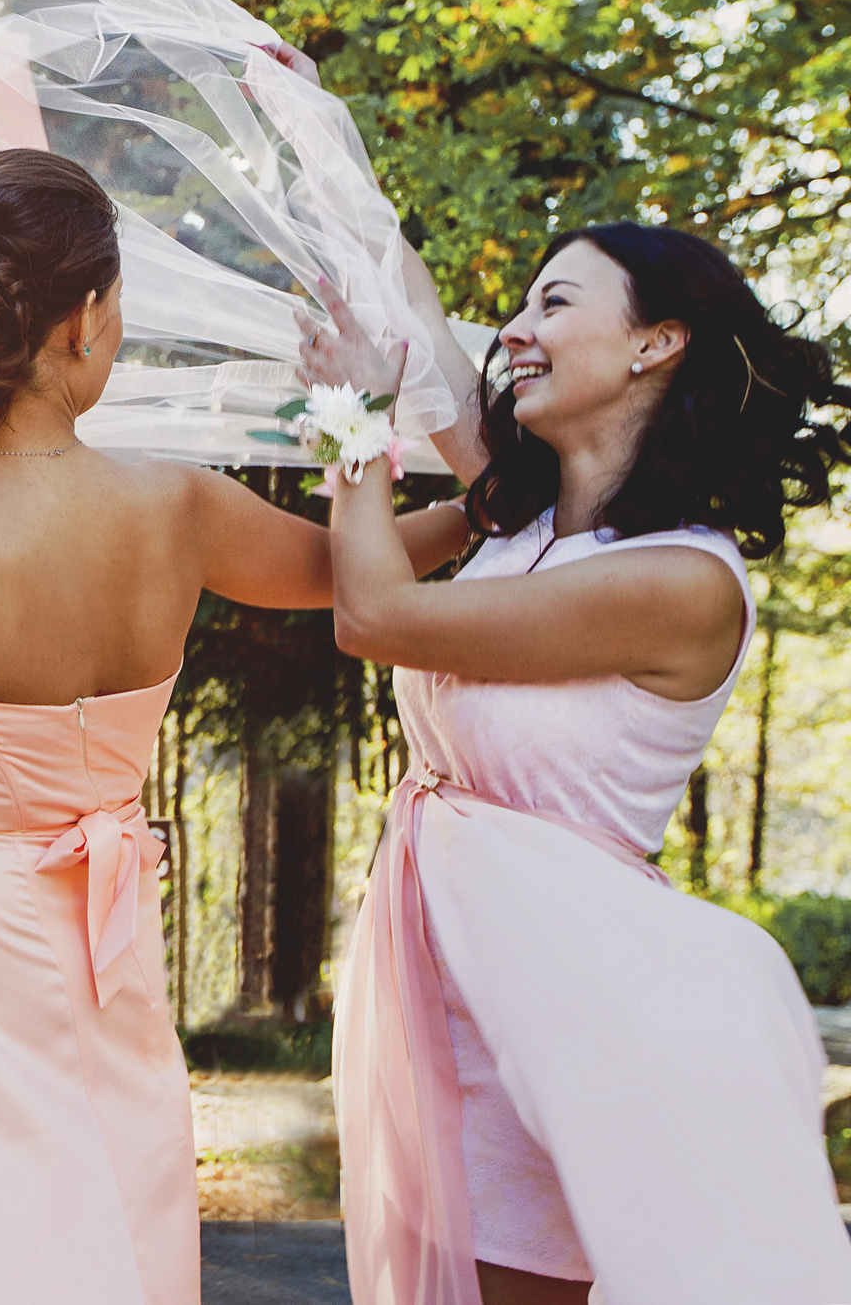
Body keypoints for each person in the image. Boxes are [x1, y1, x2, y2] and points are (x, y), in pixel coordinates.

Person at [0, 149, 471, 1305]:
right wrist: (471, 505)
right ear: (82, 322)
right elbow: (358, 571)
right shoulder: (177, 508)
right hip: (105, 935)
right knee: (108, 1206)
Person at [308, 225, 851, 1305]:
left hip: (566, 1019)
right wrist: (333, 185)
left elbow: (374, 615)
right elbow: (421, 317)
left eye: (553, 304)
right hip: (442, 1003)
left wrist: (355, 415)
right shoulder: (525, 518)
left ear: (656, 343)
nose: (514, 329)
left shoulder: (682, 581)